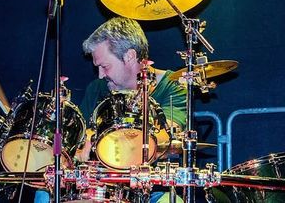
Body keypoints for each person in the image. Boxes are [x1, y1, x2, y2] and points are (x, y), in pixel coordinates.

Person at [35, 16, 186, 203]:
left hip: (149, 189)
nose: (100, 74)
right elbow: (79, 141)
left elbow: (167, 137)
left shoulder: (172, 87)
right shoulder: (97, 88)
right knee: (44, 193)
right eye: (97, 67)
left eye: (105, 66)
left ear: (130, 56)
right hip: (96, 187)